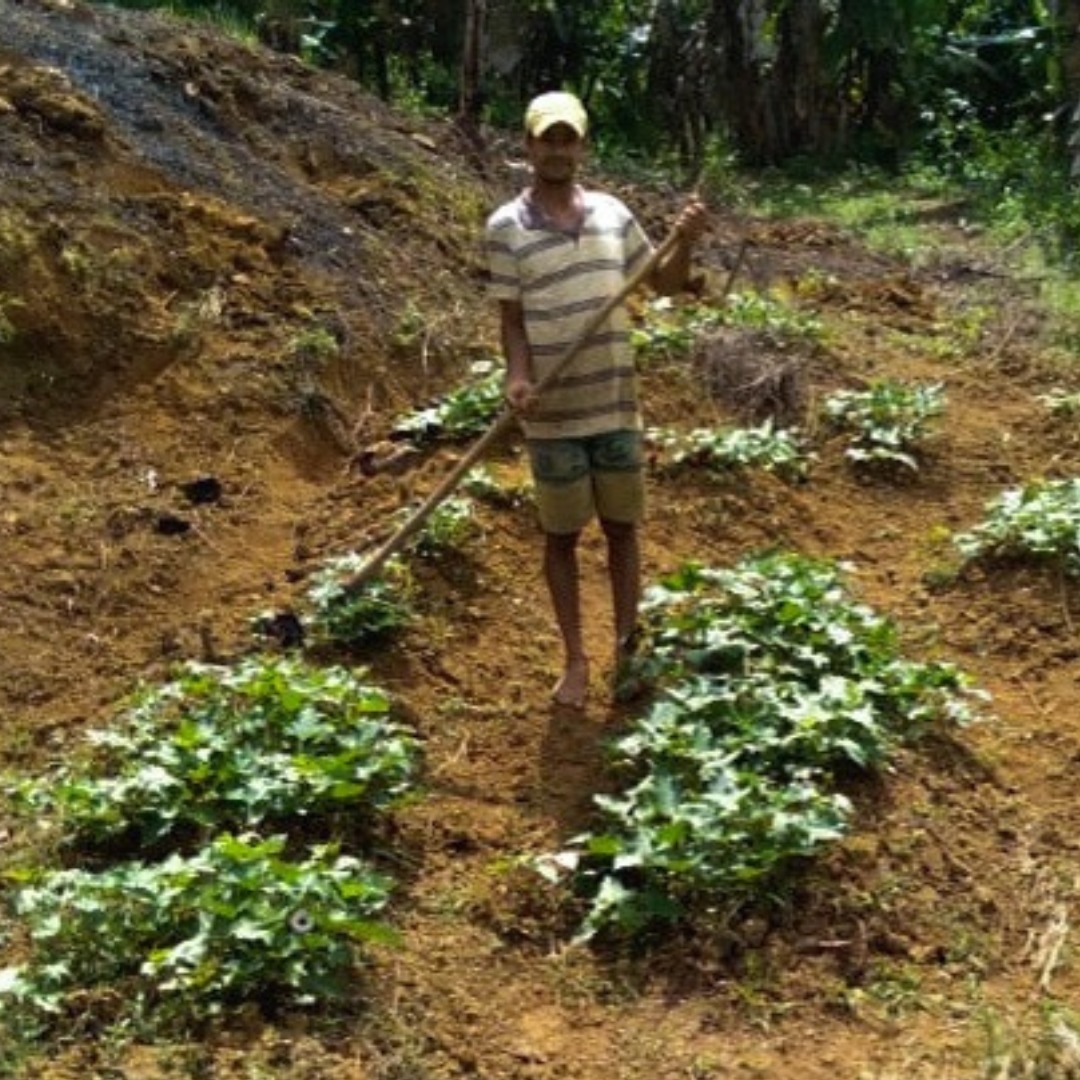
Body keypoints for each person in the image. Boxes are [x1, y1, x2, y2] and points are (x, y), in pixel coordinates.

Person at [485, 89, 709, 710]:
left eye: (568, 138)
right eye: (546, 138)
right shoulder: (505, 229)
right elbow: (512, 320)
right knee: (561, 538)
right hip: (553, 414)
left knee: (622, 530)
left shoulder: (612, 213)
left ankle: (627, 651)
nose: (558, 150)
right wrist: (517, 377)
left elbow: (663, 282)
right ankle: (576, 661)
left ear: (583, 145)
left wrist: (684, 241)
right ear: (528, 145)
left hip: (615, 404)